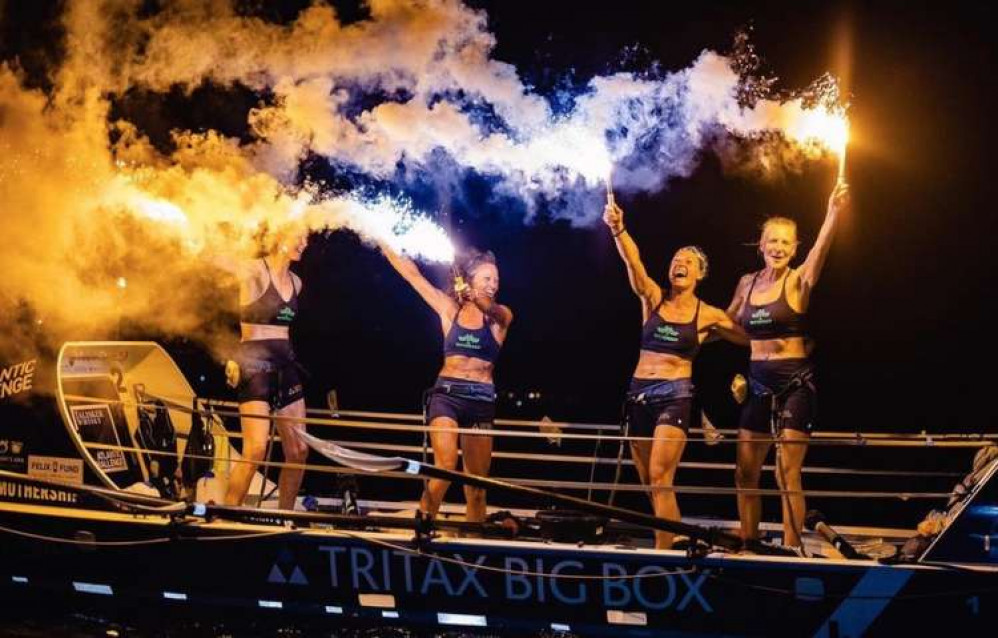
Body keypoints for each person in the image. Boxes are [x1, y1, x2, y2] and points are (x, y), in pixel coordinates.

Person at [603, 195, 746, 549]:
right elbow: (634, 264)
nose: (679, 263)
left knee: (659, 476)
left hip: (675, 395)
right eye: (675, 259)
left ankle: (664, 555)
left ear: (700, 274)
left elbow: (748, 337)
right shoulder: (652, 298)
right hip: (637, 394)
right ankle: (678, 538)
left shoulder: (709, 314)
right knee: (650, 484)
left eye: (688, 261)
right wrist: (618, 229)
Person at [727, 181, 851, 550]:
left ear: (795, 248)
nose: (779, 248)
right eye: (773, 241)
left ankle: (791, 549)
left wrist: (832, 212)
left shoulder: (799, 281)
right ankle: (749, 541)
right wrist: (686, 328)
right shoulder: (746, 284)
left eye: (787, 242)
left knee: (786, 474)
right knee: (745, 472)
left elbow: (823, 248)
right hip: (757, 382)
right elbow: (726, 325)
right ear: (761, 245)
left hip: (795, 383)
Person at [380, 244, 513, 523]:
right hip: (447, 396)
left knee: (477, 487)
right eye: (487, 279)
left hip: (481, 401)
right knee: (444, 467)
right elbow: (413, 276)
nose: (493, 285)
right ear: (472, 278)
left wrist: (477, 299)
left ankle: (473, 543)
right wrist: (383, 241)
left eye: (496, 280)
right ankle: (424, 524)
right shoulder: (449, 308)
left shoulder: (500, 317)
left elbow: (489, 307)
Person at [222, 227, 310, 511]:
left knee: (299, 451)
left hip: (286, 366)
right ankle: (227, 514)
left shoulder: (297, 282)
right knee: (256, 449)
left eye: (307, 237)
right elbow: (220, 259)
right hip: (254, 366)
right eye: (299, 236)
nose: (304, 242)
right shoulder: (253, 272)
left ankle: (286, 517)